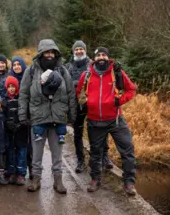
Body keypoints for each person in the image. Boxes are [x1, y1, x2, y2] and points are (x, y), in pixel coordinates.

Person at [76, 47, 137, 195]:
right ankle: (95, 179)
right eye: (98, 55)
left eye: (104, 55)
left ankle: (129, 182)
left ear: (108, 57)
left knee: (127, 150)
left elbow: (131, 90)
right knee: (96, 152)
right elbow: (79, 93)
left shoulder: (117, 73)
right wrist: (85, 102)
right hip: (94, 121)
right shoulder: (86, 75)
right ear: (94, 58)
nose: (101, 57)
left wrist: (119, 101)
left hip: (115, 120)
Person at [18, 39, 76, 193]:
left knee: (57, 154)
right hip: (38, 119)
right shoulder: (30, 72)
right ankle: (36, 180)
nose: (50, 55)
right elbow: (23, 94)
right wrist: (23, 115)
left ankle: (58, 181)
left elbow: (71, 93)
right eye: (46, 52)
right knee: (36, 154)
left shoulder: (63, 71)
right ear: (40, 54)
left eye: (52, 52)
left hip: (58, 119)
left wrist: (72, 115)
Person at [65, 40, 113, 173]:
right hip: (75, 105)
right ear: (73, 51)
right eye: (76, 49)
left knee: (99, 131)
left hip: (93, 104)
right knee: (77, 134)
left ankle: (104, 157)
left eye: (81, 49)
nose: (79, 51)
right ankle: (80, 160)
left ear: (85, 50)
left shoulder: (93, 65)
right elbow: (66, 86)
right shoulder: (68, 67)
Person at [9, 56, 33, 179]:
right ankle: (14, 170)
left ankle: (31, 168)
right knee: (18, 145)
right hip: (15, 116)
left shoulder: (29, 76)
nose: (17, 67)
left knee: (30, 145)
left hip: (29, 114)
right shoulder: (10, 79)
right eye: (14, 65)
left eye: (19, 64)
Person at [2, 76, 28, 185]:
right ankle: (11, 172)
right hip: (9, 131)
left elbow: (26, 112)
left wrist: (21, 123)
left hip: (21, 130)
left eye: (13, 86)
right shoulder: (4, 101)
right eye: (9, 87)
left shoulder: (22, 99)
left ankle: (21, 174)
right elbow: (2, 115)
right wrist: (7, 123)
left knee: (21, 152)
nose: (11, 89)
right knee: (11, 152)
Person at [32, 69, 67, 144]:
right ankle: (39, 133)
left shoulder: (59, 84)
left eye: (43, 81)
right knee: (43, 117)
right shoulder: (57, 82)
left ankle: (61, 135)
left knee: (60, 118)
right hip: (53, 106)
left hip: (57, 106)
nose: (41, 82)